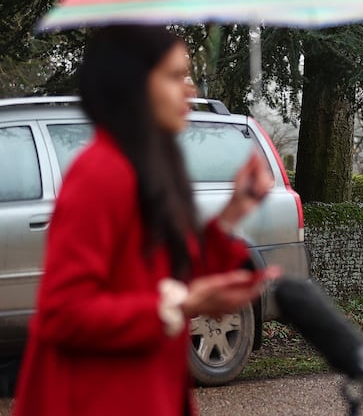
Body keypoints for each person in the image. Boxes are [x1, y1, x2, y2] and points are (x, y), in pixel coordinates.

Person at [15, 26, 280, 416]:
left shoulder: (155, 166)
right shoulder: (99, 173)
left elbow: (174, 272)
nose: (189, 89)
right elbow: (64, 313)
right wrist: (182, 303)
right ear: (133, 86)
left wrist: (235, 210)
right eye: (175, 76)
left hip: (147, 388)